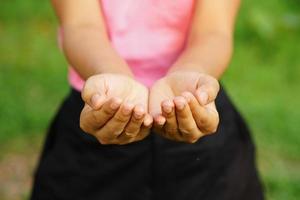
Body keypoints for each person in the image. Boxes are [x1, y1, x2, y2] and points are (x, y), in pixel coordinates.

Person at [31, 0, 264, 199]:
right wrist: (111, 76)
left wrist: (193, 73)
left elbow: (214, 32)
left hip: (194, 111)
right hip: (100, 111)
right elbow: (80, 26)